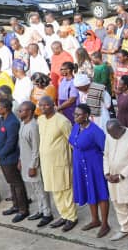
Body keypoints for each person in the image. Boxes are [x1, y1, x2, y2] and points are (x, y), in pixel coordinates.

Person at [70, 103, 110, 237]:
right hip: (80, 165)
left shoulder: (95, 131)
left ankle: (105, 223)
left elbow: (106, 149)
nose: (75, 117)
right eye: (74, 114)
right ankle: (95, 220)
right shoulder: (76, 127)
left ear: (86, 116)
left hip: (94, 165)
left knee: (100, 192)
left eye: (78, 115)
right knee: (88, 190)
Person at [38, 96, 77, 231]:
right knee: (55, 190)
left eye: (46, 105)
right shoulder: (40, 120)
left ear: (53, 105)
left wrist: (75, 161)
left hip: (61, 162)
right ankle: (63, 215)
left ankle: (71, 217)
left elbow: (72, 142)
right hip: (46, 163)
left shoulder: (62, 121)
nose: (43, 108)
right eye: (41, 105)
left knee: (66, 189)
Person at [103, 119, 128, 244]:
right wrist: (107, 172)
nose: (112, 136)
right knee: (117, 202)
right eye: (110, 134)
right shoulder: (109, 136)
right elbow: (106, 155)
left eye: (114, 133)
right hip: (112, 177)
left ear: (120, 128)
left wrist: (121, 175)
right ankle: (125, 228)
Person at [0, 98, 28, 222]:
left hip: (10, 158)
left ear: (5, 108)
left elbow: (11, 143)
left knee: (17, 184)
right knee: (11, 183)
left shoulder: (12, 122)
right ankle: (16, 205)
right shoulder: (2, 119)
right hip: (2, 157)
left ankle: (23, 209)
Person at [18, 101, 53, 227]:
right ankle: (40, 210)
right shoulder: (23, 124)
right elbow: (22, 145)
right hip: (25, 161)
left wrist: (33, 166)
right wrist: (21, 160)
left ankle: (47, 213)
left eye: (22, 110)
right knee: (34, 190)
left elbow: (35, 149)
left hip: (33, 165)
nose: (19, 112)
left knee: (40, 189)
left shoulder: (33, 127)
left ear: (29, 112)